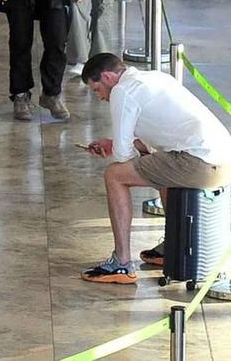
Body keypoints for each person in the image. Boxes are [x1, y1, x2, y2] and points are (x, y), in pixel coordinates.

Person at [81, 54, 231, 285]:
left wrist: (119, 149)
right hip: (221, 159)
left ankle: (121, 262)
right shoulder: (155, 78)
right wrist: (115, 144)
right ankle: (174, 246)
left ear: (108, 77)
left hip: (198, 163)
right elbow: (157, 141)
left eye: (97, 89)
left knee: (115, 175)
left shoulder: (122, 91)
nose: (100, 97)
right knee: (158, 167)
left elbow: (123, 155)